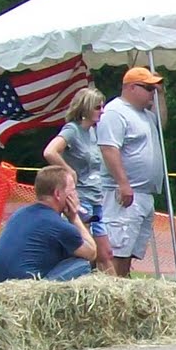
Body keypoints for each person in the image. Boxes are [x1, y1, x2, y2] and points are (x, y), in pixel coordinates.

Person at [97, 67, 167, 278]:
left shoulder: (145, 114)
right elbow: (109, 148)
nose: (151, 93)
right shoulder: (115, 112)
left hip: (144, 194)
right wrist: (123, 183)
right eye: (148, 88)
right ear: (131, 87)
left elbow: (161, 124)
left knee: (129, 251)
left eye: (154, 89)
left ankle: (124, 288)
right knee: (117, 249)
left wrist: (161, 95)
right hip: (124, 194)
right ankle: (112, 291)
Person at [0, 166, 96, 283]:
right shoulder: (59, 225)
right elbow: (91, 253)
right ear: (57, 194)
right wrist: (75, 218)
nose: (76, 195)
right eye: (72, 190)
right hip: (25, 287)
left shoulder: (19, 213)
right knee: (82, 264)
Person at [43, 87, 114, 274]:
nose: (102, 111)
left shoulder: (93, 132)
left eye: (102, 107)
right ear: (86, 108)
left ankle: (118, 296)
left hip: (96, 198)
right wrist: (68, 171)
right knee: (85, 253)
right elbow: (50, 151)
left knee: (105, 253)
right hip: (81, 198)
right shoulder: (72, 130)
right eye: (98, 107)